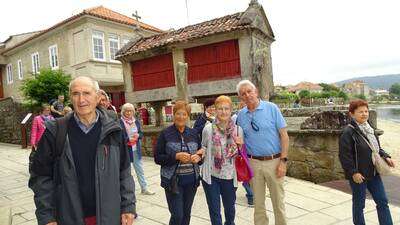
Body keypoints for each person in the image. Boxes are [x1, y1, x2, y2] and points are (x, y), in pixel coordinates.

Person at [29, 76, 136, 225]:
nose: (81, 100)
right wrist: (46, 216)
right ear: (70, 98)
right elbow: (40, 177)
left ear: (98, 97)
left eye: (86, 93)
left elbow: (124, 172)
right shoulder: (55, 131)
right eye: (75, 94)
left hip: (109, 216)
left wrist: (128, 206)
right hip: (68, 217)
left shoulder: (114, 129)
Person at [236, 80, 289, 225]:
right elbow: (239, 139)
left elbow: (284, 135)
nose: (247, 95)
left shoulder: (271, 108)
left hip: (274, 161)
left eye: (249, 91)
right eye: (243, 94)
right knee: (258, 204)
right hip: (253, 163)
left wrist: (283, 162)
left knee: (278, 203)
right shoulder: (241, 115)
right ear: (241, 98)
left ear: (256, 92)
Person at [339, 99, 395, 225]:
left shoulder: (370, 129)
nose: (364, 114)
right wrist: (353, 173)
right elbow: (344, 156)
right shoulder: (348, 132)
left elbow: (377, 149)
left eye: (366, 111)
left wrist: (386, 156)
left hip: (374, 173)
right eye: (360, 112)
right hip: (359, 175)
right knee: (359, 205)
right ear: (352, 114)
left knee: (382, 201)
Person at [154, 100, 203, 225]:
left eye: (184, 114)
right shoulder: (165, 134)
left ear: (187, 116)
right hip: (173, 181)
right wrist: (176, 156)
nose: (181, 117)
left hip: (191, 181)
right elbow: (157, 157)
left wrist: (199, 157)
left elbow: (200, 154)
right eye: (178, 113)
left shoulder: (193, 133)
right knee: (177, 215)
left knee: (186, 214)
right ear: (174, 114)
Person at [199, 95, 243, 225]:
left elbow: (241, 155)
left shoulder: (238, 130)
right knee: (214, 210)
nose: (223, 112)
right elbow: (204, 146)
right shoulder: (208, 129)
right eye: (220, 109)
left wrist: (240, 147)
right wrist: (200, 152)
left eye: (226, 108)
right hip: (211, 176)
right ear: (215, 110)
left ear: (231, 110)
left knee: (230, 210)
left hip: (229, 176)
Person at [120, 103, 155, 195]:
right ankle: (126, 191)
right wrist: (128, 139)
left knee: (139, 169)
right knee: (126, 171)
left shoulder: (136, 121)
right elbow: (118, 137)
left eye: (130, 111)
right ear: (123, 112)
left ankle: (144, 188)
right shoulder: (120, 122)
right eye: (126, 111)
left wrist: (138, 135)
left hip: (136, 149)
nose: (128, 113)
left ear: (133, 112)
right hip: (125, 150)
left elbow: (141, 133)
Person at [232, 101, 254, 207]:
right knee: (245, 174)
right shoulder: (236, 117)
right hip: (242, 150)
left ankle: (251, 195)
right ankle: (251, 195)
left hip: (252, 150)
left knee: (248, 174)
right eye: (242, 105)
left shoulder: (252, 117)